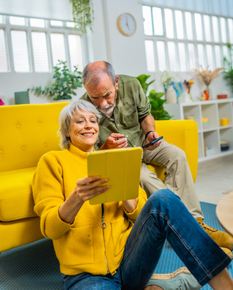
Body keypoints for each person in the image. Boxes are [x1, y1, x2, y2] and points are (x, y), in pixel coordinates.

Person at [32, 99, 233, 290]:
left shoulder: (116, 159)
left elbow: (142, 214)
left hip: (131, 263)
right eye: (79, 121)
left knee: (163, 199)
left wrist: (127, 197)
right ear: (66, 130)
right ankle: (166, 284)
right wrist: (77, 197)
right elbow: (50, 229)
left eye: (93, 120)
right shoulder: (52, 162)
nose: (88, 126)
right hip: (86, 276)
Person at [80, 61, 233, 259]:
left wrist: (150, 131)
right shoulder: (83, 108)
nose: (102, 104)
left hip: (144, 143)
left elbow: (145, 115)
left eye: (107, 95)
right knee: (144, 177)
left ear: (116, 82)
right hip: (122, 156)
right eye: (95, 97)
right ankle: (190, 229)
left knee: (177, 155)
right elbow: (88, 150)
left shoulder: (132, 85)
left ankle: (195, 222)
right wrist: (105, 148)